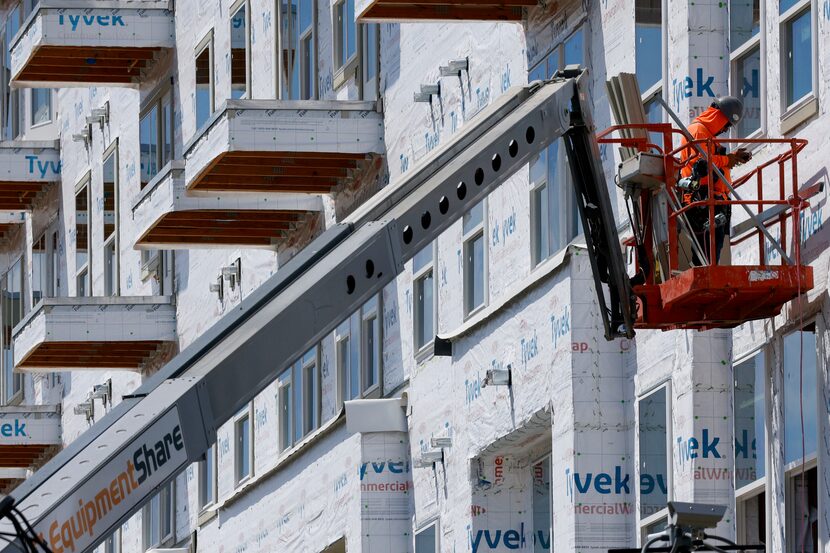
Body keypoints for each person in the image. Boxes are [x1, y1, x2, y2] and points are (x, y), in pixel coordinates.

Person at [678, 96, 752, 265]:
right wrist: (728, 160)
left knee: (713, 250)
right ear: (719, 117)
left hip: (715, 199)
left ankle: (704, 271)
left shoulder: (707, 135)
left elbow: (712, 160)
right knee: (707, 252)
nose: (725, 130)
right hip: (703, 201)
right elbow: (702, 162)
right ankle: (702, 273)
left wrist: (731, 157)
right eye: (726, 124)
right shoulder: (698, 131)